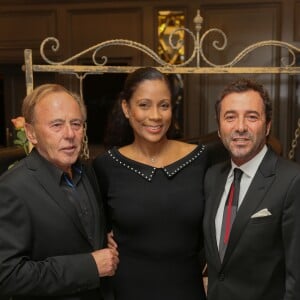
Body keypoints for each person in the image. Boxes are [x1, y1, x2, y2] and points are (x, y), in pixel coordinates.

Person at [93, 67, 208, 300]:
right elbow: (95, 225)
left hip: (188, 290)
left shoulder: (201, 159)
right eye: (144, 105)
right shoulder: (106, 166)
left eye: (163, 105)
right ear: (127, 108)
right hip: (128, 290)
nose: (155, 116)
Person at [0, 84, 119, 300]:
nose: (70, 134)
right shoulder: (11, 188)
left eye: (76, 124)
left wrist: (106, 238)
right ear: (31, 133)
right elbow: (6, 276)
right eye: (56, 125)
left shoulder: (88, 171)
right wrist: (89, 266)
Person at [203, 78, 300, 300]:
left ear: (267, 126)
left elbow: (297, 277)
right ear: (218, 128)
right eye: (230, 117)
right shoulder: (212, 178)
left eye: (252, 117)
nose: (240, 127)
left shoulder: (292, 181)